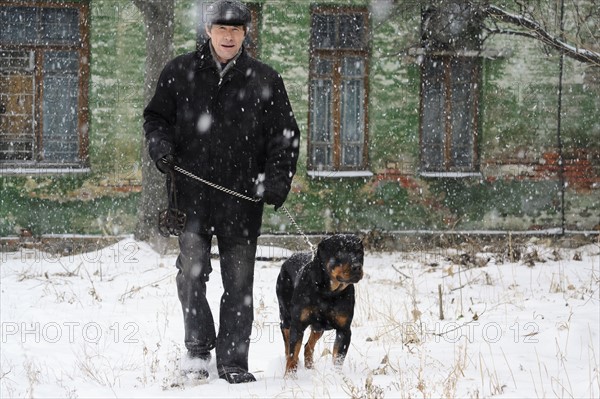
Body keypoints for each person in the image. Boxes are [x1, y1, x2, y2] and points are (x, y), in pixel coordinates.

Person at [143, 0, 300, 384]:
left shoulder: (265, 80)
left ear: (246, 33)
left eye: (236, 30)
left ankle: (232, 361)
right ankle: (198, 349)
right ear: (209, 30)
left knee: (239, 282)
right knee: (191, 273)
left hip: (242, 201)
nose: (228, 36)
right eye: (221, 29)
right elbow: (155, 118)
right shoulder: (180, 72)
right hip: (191, 196)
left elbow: (286, 137)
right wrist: (160, 147)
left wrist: (276, 180)